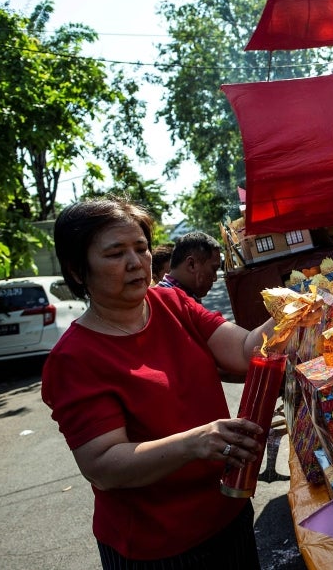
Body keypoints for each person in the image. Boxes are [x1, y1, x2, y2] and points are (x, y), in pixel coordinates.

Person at [41, 196, 284, 569]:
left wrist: (301, 305)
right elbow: (104, 465)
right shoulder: (74, 359)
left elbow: (247, 349)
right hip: (157, 547)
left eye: (141, 248)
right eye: (115, 253)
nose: (136, 262)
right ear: (77, 270)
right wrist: (196, 442)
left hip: (227, 513)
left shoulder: (174, 303)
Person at [155, 231, 222, 303]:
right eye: (214, 269)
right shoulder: (164, 301)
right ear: (191, 264)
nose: (215, 278)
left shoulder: (186, 298)